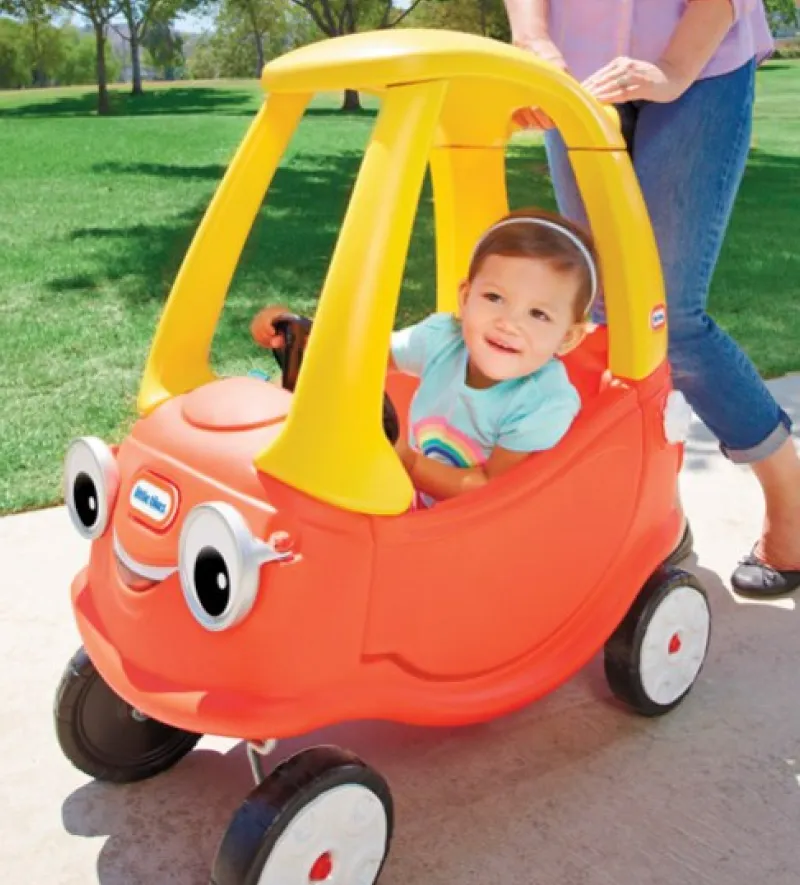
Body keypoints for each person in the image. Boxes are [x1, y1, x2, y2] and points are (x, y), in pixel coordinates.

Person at [502, 0, 800, 596]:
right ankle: (652, 515)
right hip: (580, 76)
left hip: (702, 61)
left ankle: (791, 502)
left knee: (671, 314)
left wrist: (671, 69)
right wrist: (532, 38)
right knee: (606, 313)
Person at [252, 208, 595, 507]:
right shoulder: (442, 339)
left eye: (538, 314)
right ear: (465, 297)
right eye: (494, 297)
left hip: (481, 533)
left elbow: (492, 490)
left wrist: (407, 461)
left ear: (567, 337)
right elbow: (362, 358)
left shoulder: (544, 402)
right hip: (416, 498)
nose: (509, 323)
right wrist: (300, 335)